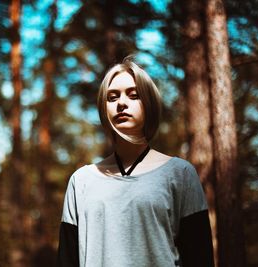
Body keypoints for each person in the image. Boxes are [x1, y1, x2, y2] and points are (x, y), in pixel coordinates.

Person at [57, 57, 214, 267]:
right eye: (112, 97)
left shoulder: (180, 174)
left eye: (133, 95)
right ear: (104, 109)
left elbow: (200, 258)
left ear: (148, 103)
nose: (121, 103)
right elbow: (67, 260)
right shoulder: (81, 181)